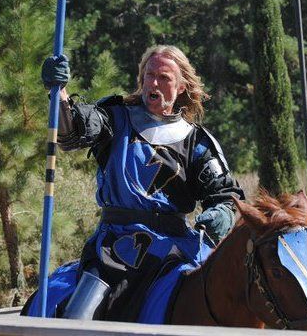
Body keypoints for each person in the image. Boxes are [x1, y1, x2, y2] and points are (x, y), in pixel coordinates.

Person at [31, 45, 244, 321]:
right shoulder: (114, 117)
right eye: (149, 75)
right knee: (77, 317)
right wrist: (58, 92)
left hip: (176, 247)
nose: (153, 83)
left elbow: (225, 196)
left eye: (164, 77)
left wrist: (216, 218)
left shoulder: (198, 143)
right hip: (116, 246)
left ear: (181, 87)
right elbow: (71, 132)